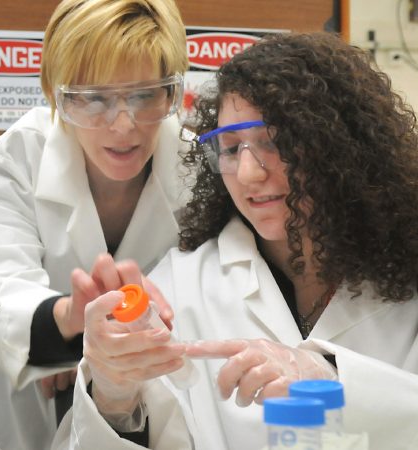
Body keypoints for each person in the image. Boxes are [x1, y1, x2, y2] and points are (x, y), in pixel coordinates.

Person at [79, 32, 418, 449]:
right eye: (230, 148)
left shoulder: (408, 277)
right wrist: (114, 396)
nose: (247, 174)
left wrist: (333, 378)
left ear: (340, 146)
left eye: (273, 142)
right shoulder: (183, 286)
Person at [0, 0, 193, 448]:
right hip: (22, 422)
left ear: (171, 93)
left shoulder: (197, 167)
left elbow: (212, 303)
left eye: (145, 95)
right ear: (57, 97)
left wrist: (93, 358)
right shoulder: (19, 157)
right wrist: (65, 324)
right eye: (94, 98)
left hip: (153, 413)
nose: (124, 125)